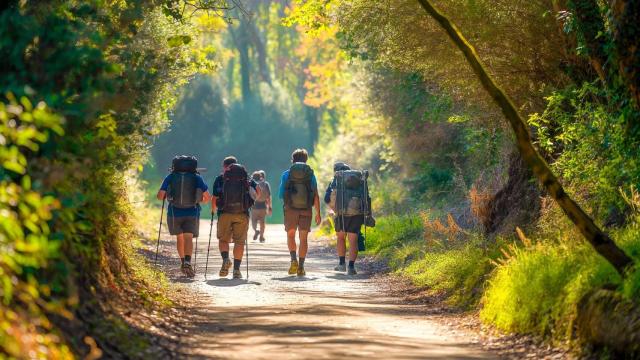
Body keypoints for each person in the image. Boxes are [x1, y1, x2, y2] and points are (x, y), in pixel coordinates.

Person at [157, 155, 211, 278]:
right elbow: (207, 197)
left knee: (179, 238)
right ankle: (187, 262)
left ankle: (183, 262)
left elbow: (160, 196)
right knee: (188, 238)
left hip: (174, 213)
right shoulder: (197, 177)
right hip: (191, 212)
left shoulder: (170, 177)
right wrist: (197, 201)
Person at [211, 156, 259, 279]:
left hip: (224, 213)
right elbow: (258, 191)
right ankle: (236, 270)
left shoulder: (220, 178)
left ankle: (226, 259)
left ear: (225, 166)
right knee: (239, 242)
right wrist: (250, 200)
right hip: (242, 214)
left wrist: (213, 211)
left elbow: (215, 197)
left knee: (223, 240)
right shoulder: (246, 178)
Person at [279, 148, 321, 276]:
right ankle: (301, 267)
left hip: (290, 209)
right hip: (306, 209)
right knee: (303, 239)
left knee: (291, 235)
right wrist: (318, 213)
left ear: (293, 160)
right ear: (306, 160)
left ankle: (293, 260)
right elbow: (316, 195)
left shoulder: (286, 174)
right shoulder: (310, 175)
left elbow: (281, 194)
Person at [324, 161, 370, 275]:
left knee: (341, 238)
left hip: (341, 214)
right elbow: (367, 197)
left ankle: (341, 264)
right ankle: (351, 267)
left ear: (336, 171)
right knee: (353, 240)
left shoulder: (335, 181)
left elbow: (326, 199)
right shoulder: (358, 181)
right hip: (357, 214)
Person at [251, 170, 272, 242]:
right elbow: (268, 197)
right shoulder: (265, 184)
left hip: (254, 206)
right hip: (263, 206)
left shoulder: (252, 184)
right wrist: (269, 206)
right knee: (262, 222)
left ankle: (256, 230)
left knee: (253, 221)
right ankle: (261, 236)